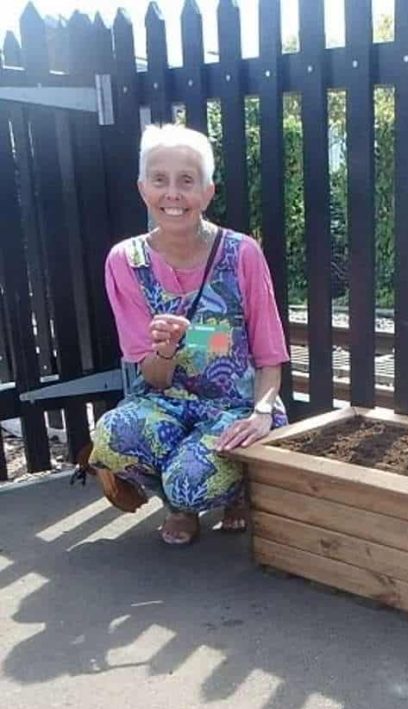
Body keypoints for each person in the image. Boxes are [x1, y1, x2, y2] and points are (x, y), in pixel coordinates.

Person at [89, 124, 290, 546]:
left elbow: (266, 350)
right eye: (160, 180)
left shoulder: (241, 254)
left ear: (207, 191)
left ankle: (234, 491)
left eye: (186, 180)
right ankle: (178, 504)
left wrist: (262, 412)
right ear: (143, 188)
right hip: (165, 402)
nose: (173, 194)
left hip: (235, 406)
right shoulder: (126, 261)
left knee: (191, 480)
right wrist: (166, 349)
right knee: (110, 435)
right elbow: (153, 375)